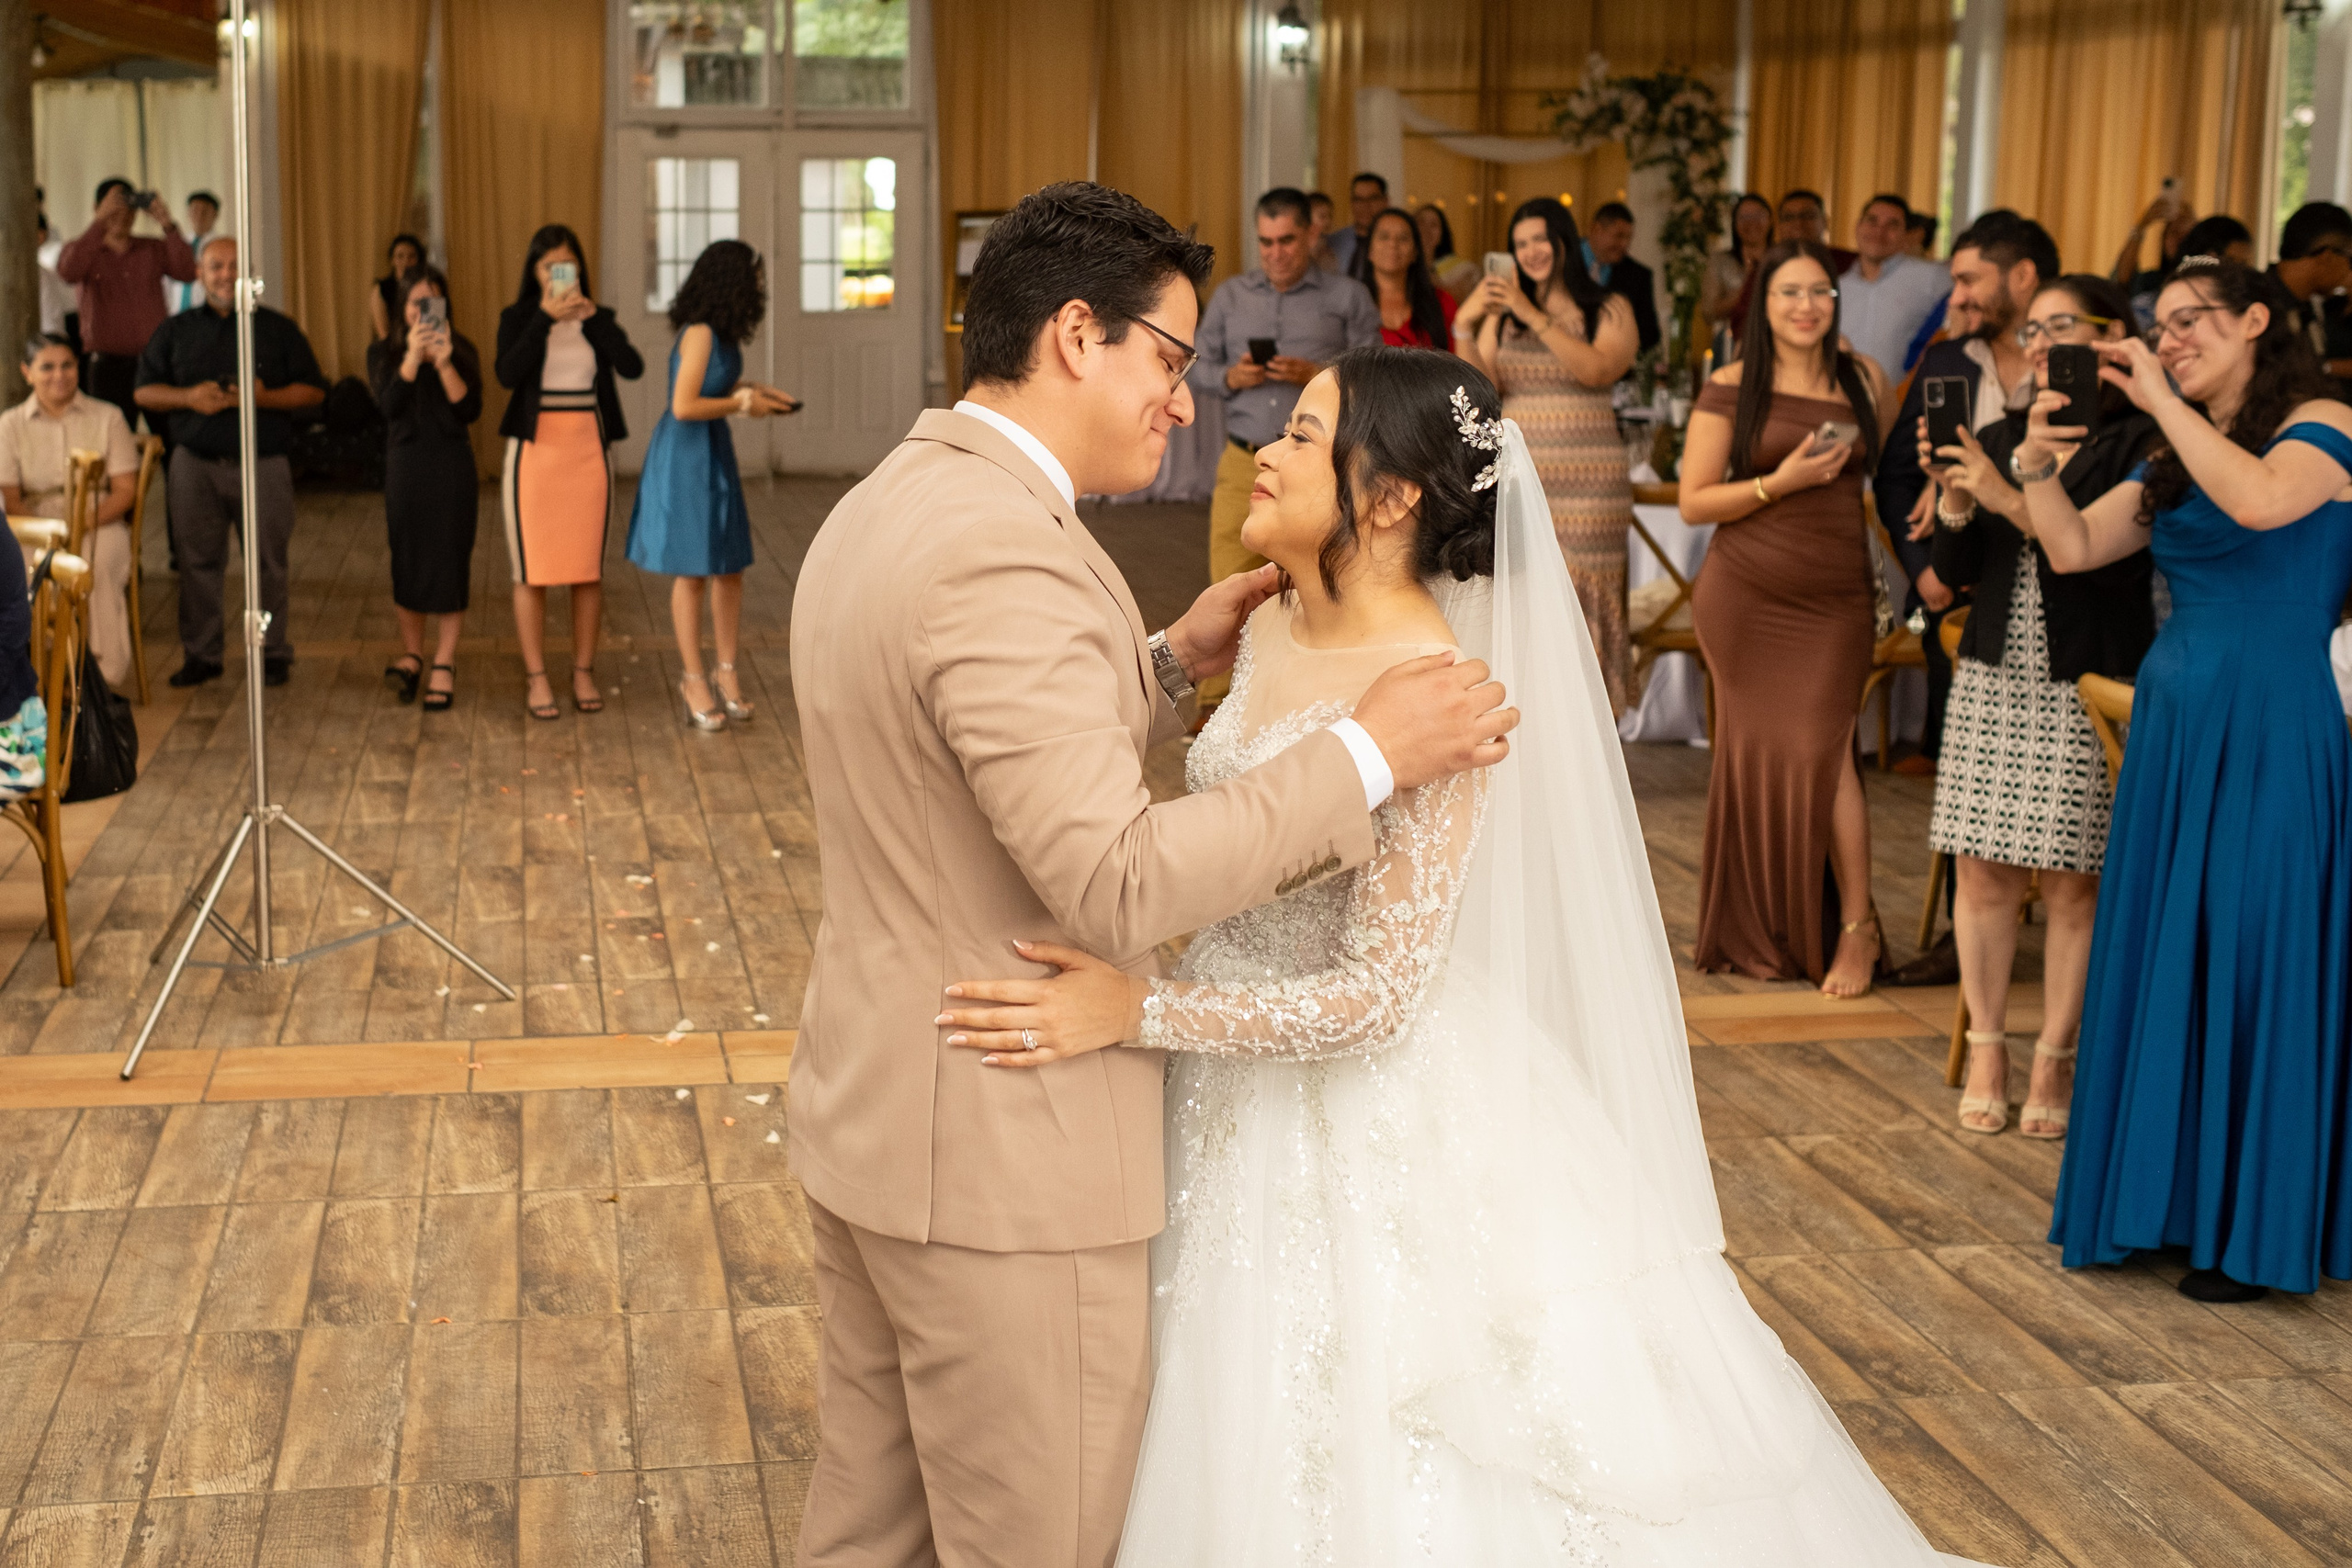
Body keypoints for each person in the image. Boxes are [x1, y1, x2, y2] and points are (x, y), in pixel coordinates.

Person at [933, 348, 1987, 1568]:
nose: (1265, 449)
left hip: (1347, 1092)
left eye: (1305, 433)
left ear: (1389, 497)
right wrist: (1175, 662)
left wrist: (1140, 1009)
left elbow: (1380, 996)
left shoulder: (1440, 693)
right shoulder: (1266, 616)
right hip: (1219, 1073)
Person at [784, 180, 1516, 1567]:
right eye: (1170, 360)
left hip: (877, 1105)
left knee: (871, 1530)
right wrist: (1364, 751)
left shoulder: (900, 495)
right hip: (1002, 1147)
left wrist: (1166, 664)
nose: (1188, 403)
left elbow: (955, 742)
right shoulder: (1006, 551)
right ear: (1078, 335)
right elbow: (1115, 881)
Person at [2030, 258, 2352, 1303]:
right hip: (2177, 731)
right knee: (2179, 946)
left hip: (2274, 719)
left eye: (2189, 321)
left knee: (2256, 950)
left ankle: (2249, 1231)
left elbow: (2260, 503)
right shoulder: (2173, 452)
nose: (2169, 341)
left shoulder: (2323, 422)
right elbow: (2074, 548)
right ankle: (2166, 1206)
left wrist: (2162, 402)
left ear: (2256, 319)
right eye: (2158, 326)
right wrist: (2033, 466)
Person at [1919, 275, 2161, 1139]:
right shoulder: (1996, 432)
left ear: (2111, 337)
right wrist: (1956, 496)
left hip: (2085, 677)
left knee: (2072, 880)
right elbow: (1953, 574)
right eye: (2035, 329)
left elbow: (2090, 560)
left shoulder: (2142, 443)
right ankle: (1989, 1048)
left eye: (2065, 325)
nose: (2044, 342)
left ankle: (2057, 1054)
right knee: (1981, 870)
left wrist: (2002, 489)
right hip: (1994, 670)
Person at [1679, 240, 1891, 996]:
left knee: (1824, 750)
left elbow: (1888, 475)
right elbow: (1694, 501)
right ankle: (1769, 925)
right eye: (1789, 293)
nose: (1807, 306)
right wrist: (1782, 480)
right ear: (1762, 306)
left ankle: (1856, 928)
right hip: (1745, 592)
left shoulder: (1865, 378)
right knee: (1765, 754)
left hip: (1835, 598)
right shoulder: (1730, 386)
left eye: (1820, 292)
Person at [1877, 210, 2057, 791]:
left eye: (1968, 280)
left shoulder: (2072, 371)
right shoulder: (1946, 361)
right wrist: (1923, 569)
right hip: (1955, 589)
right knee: (1967, 784)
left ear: (2022, 276)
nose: (1955, 298)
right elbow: (1895, 477)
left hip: (2058, 594)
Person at [1188, 187, 1382, 707]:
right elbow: (1196, 366)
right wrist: (1230, 377)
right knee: (1230, 577)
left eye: (1287, 240)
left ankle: (1304, 700)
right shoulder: (1231, 296)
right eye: (1266, 242)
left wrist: (1318, 375)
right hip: (1245, 458)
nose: (1275, 253)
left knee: (1320, 579)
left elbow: (1375, 377)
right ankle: (1217, 706)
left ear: (1312, 234)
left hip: (1321, 466)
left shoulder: (1347, 297)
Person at [1454, 196, 1638, 712]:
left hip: (1591, 488)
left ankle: (1590, 718)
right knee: (1525, 592)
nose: (1531, 251)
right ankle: (1530, 715)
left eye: (1539, 239)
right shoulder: (1504, 318)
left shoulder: (1607, 307)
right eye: (1520, 244)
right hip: (1520, 477)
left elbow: (1597, 370)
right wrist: (1465, 324)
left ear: (1562, 242)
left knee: (1582, 596)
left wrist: (1531, 313)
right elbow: (1481, 392)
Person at [134, 237, 326, 688]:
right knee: (196, 563)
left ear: (249, 275)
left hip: (263, 462)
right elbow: (143, 391)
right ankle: (202, 654)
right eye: (216, 266)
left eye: (235, 266)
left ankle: (272, 651)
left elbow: (314, 391)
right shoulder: (175, 330)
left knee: (268, 563)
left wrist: (263, 398)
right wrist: (188, 397)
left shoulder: (278, 329)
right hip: (193, 464)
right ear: (199, 273)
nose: (225, 274)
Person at [625, 239, 797, 730]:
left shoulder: (722, 333)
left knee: (729, 565)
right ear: (732, 282)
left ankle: (726, 670)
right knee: (694, 570)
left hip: (713, 450)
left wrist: (754, 390)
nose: (759, 287)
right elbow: (683, 406)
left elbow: (711, 389)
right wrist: (743, 405)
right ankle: (693, 677)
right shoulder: (699, 332)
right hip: (686, 455)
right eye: (754, 278)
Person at [494, 224, 643, 721]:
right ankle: (537, 677)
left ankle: (583, 671)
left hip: (587, 453)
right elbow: (506, 374)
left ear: (579, 268)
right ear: (534, 272)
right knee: (531, 571)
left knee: (586, 569)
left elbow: (633, 366)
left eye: (567, 265)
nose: (559, 274)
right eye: (549, 266)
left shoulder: (598, 319)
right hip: (535, 454)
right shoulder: (518, 318)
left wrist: (591, 318)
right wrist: (544, 318)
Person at [367, 265, 481, 712]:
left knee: (451, 560)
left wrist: (445, 362)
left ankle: (445, 661)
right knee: (407, 558)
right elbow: (388, 406)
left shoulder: (462, 348)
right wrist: (413, 359)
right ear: (402, 308)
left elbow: (470, 410)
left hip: (452, 466)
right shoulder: (383, 353)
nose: (423, 311)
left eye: (432, 302)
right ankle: (413, 653)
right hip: (406, 467)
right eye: (416, 303)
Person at [0, 335, 141, 690]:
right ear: (27, 373)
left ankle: (101, 679)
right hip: (34, 523)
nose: (59, 375)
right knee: (16, 569)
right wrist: (52, 531)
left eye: (67, 365)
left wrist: (82, 523)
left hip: (98, 517)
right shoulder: (10, 424)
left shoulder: (109, 416)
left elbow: (125, 491)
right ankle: (33, 673)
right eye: (47, 367)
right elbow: (10, 498)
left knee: (98, 563)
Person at [56, 179, 196, 434]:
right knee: (110, 440)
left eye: (128, 205)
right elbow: (68, 272)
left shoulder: (151, 248)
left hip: (155, 361)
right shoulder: (84, 250)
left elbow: (187, 271)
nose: (121, 213)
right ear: (97, 207)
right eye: (114, 205)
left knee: (171, 437)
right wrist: (99, 222)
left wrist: (167, 223)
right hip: (108, 365)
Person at [1839, 194, 1948, 379]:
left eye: (1892, 225)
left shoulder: (1932, 277)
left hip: (1902, 394)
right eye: (1872, 221)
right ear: (1858, 226)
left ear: (1906, 234)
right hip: (1843, 394)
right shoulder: (1837, 287)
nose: (1879, 232)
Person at [2120, 214, 2251, 331]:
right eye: (2233, 262)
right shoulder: (2147, 305)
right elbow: (2122, 281)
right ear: (2210, 257)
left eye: (2244, 264)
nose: (2240, 272)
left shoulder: (2242, 311)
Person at [1348, 207, 1454, 348]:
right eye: (1384, 237)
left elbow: (1458, 358)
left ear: (1415, 252)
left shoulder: (1443, 302)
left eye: (1403, 238)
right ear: (1369, 250)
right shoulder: (1349, 303)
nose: (1393, 244)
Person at [2269, 203, 2352, 374]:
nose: (2348, 271)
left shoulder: (2307, 306)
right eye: (2349, 259)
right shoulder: (2259, 304)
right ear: (2327, 257)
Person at [1585, 200, 1661, 355]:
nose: (1625, 245)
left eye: (1629, 238)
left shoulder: (1638, 275)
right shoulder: (1562, 261)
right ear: (1597, 229)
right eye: (1619, 236)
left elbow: (1649, 334)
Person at [1702, 192, 1773, 346]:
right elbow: (1708, 312)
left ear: (1770, 220)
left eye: (1758, 215)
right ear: (1734, 223)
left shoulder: (1782, 259)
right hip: (1732, 341)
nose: (1751, 222)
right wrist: (1747, 287)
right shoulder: (1720, 261)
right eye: (1744, 217)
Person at [2107, 186, 2199, 299]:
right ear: (2164, 240)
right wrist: (2142, 226)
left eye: (2187, 234)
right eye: (2174, 232)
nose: (2180, 239)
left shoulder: (2204, 280)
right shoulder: (2151, 282)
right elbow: (2122, 280)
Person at [164, 191, 219, 314]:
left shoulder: (219, 247)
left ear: (215, 214)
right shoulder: (179, 243)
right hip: (176, 312)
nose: (199, 215)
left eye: (205, 211)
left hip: (206, 312)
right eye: (195, 210)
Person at [1327, 170, 1388, 277]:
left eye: (1372, 199)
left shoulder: (1394, 244)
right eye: (1358, 200)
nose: (1365, 206)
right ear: (1351, 203)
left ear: (1385, 201)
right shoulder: (1334, 243)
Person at [367, 233, 426, 343]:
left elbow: (434, 325)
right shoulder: (382, 288)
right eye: (400, 256)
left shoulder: (427, 288)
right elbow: (383, 333)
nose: (406, 261)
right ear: (392, 260)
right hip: (391, 346)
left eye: (411, 256)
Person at [1415, 201, 1479, 300]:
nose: (1426, 229)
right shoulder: (1400, 266)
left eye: (1434, 224)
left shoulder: (1463, 270)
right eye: (1421, 222)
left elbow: (1454, 299)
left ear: (1442, 235)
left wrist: (1427, 257)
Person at [1306, 191, 1341, 274]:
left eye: (1330, 216)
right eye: (1322, 216)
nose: (1328, 221)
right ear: (1307, 218)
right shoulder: (1302, 247)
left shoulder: (1328, 247)